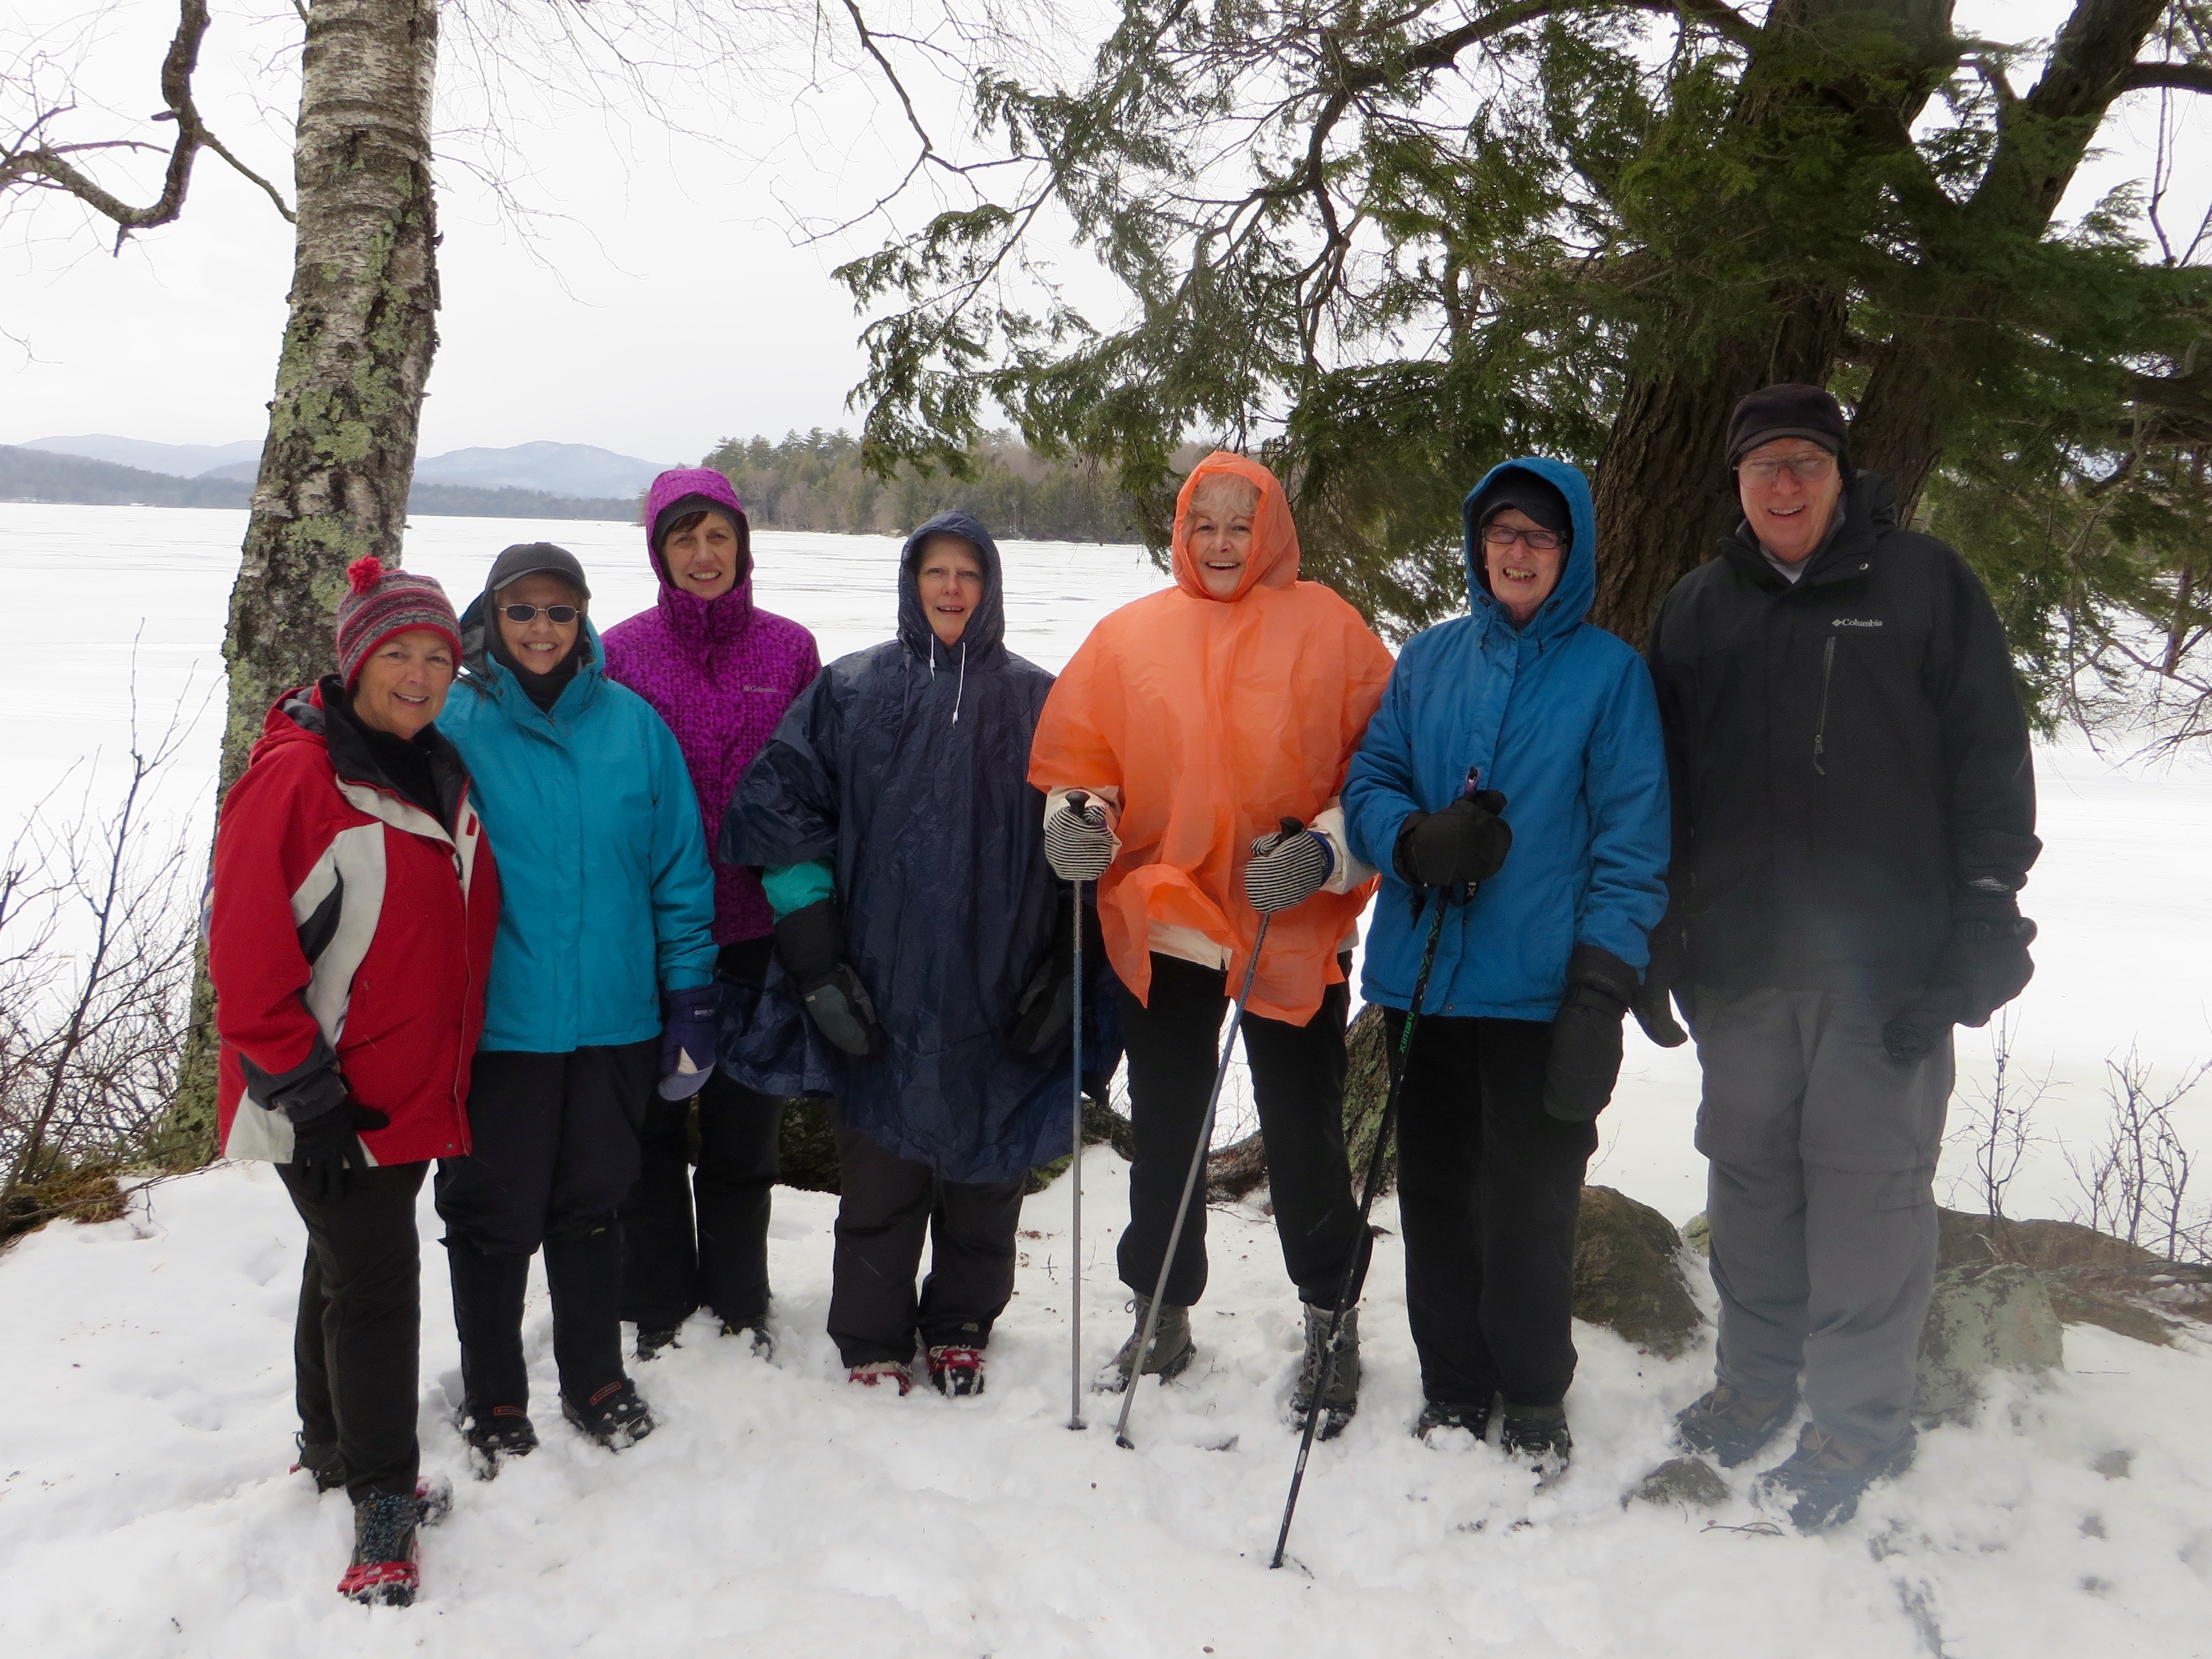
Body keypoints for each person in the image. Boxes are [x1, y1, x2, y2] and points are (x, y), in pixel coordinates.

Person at [1644, 383, 2039, 1530]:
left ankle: (1855, 1423)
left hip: (1885, 971)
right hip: (1740, 962)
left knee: (1867, 1192)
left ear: (1839, 475)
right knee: (1753, 1178)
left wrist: (1980, 919)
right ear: (1733, 480)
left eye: (1804, 462)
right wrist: (1660, 932)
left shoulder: (1923, 587)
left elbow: (1987, 761)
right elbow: (1659, 787)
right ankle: (1754, 1383)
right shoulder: (1696, 609)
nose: (1782, 484)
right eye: (1762, 463)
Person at [1029, 451, 1395, 1436]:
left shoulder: (1334, 631)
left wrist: (1329, 849)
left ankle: (1331, 1314)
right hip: (1176, 920)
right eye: (1205, 525)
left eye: (1242, 523)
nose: (1223, 543)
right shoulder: (1133, 637)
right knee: (1170, 1125)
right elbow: (1083, 759)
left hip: (1288, 921)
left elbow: (1386, 768)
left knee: (1306, 1131)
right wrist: (1076, 818)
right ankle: (1161, 1307)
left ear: (1270, 529)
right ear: (1182, 535)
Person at [1342, 459, 1670, 1480]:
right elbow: (1370, 776)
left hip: (1541, 996)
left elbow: (1632, 843)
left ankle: (1533, 1392)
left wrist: (1602, 989)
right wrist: (1412, 839)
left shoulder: (1611, 675)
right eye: (1501, 534)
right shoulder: (1430, 659)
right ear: (1479, 549)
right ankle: (1453, 1384)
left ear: (1569, 553)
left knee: (1532, 1204)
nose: (1517, 552)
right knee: (1435, 1195)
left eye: (1538, 535)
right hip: (1425, 985)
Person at [722, 512, 1070, 1396]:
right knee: (878, 1176)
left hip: (1001, 974)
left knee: (987, 1170)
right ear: (912, 584)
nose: (952, 590)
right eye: (935, 573)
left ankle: (960, 1320)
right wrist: (813, 958)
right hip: (877, 976)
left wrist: (1069, 966)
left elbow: (1090, 842)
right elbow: (782, 815)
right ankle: (872, 1335)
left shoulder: (1042, 700)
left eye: (968, 575)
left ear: (990, 588)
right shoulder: (851, 691)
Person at [208, 556, 498, 1606]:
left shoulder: (431, 766)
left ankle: (331, 1444)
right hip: (332, 1100)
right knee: (377, 1287)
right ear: (355, 662)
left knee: (343, 1267)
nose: (420, 675)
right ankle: (382, 1503)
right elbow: (244, 958)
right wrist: (303, 1087)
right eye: (397, 655)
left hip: (411, 1091)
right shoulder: (298, 778)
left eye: (437, 657)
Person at [435, 542, 718, 1465]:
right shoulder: (451, 721)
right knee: (491, 1214)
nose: (542, 629)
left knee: (596, 1204)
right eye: (522, 612)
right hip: (499, 1029)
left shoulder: (634, 728)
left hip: (613, 1022)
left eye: (559, 611)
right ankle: (495, 1397)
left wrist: (691, 999)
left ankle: (595, 1377)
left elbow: (678, 875)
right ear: (492, 618)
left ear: (584, 617)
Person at [601, 468, 822, 1359]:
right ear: (659, 552)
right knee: (649, 1134)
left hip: (759, 936)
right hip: (651, 936)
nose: (703, 555)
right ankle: (657, 1306)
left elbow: (816, 783)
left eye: (718, 537)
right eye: (684, 539)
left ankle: (739, 1303)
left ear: (743, 547)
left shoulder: (790, 650)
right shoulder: (618, 652)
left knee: (743, 1134)